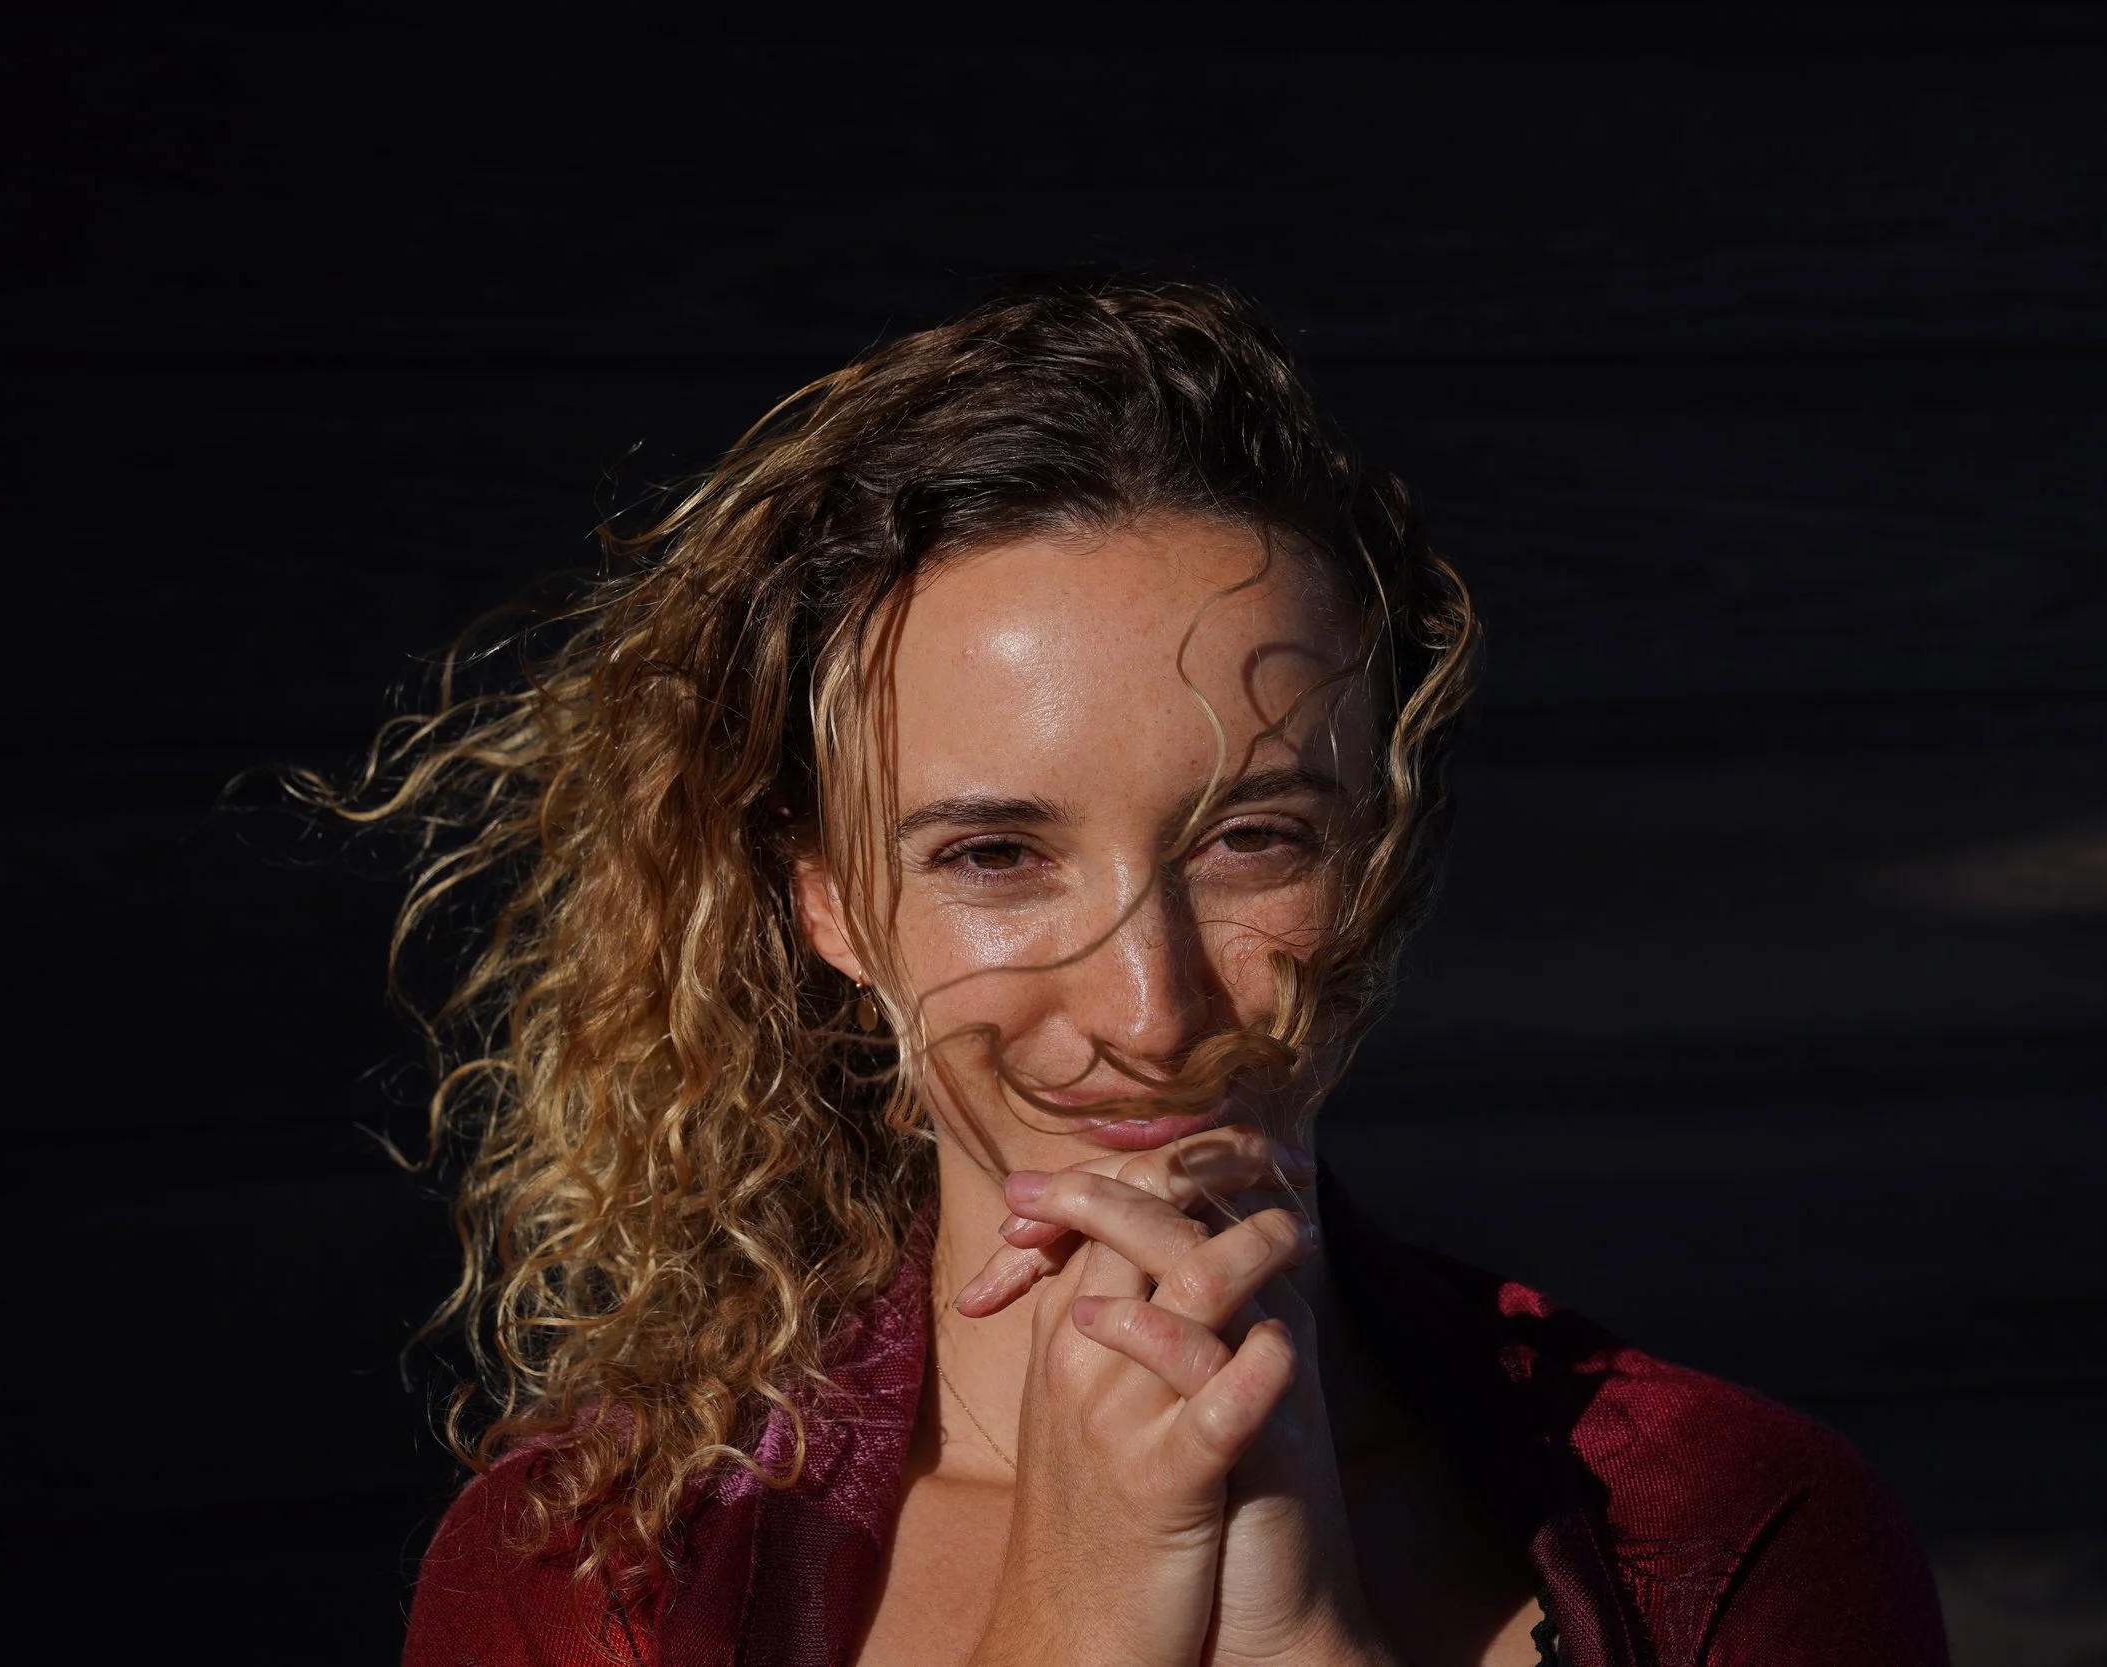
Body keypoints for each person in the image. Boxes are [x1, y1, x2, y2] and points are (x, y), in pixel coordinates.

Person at [313, 282, 1948, 1664]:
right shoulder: (596, 1567)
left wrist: (1308, 1635)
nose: (1150, 1013)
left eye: (1254, 838)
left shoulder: (1725, 1525)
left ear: (1378, 852)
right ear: (825, 901)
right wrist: (1069, 1619)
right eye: (994, 855)